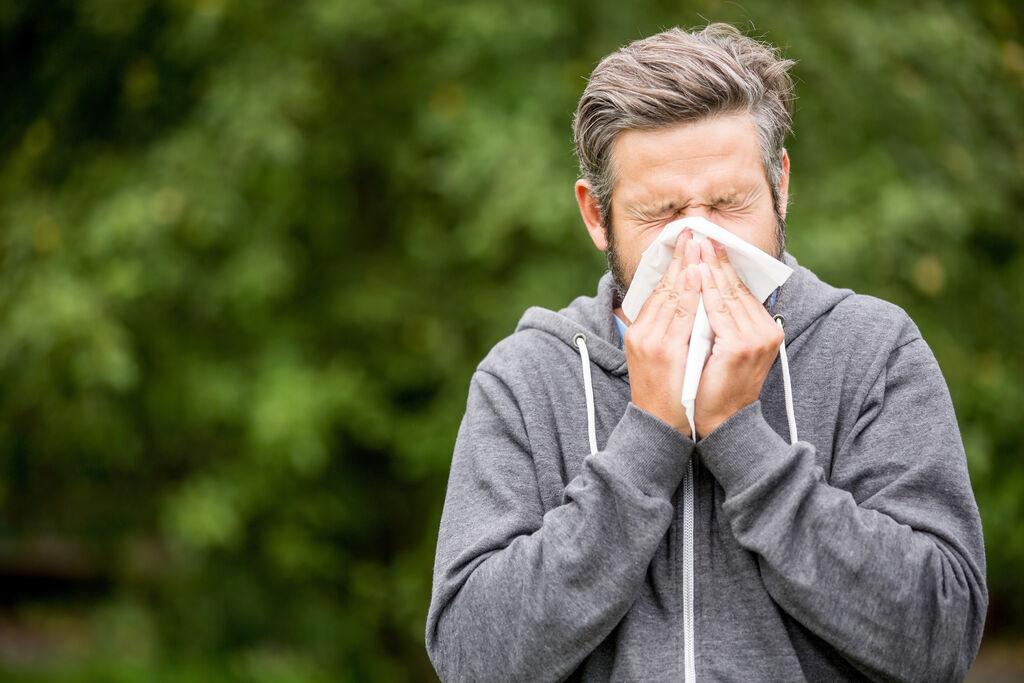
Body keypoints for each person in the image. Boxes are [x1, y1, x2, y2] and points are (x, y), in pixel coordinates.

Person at [424, 22, 987, 682]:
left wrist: (742, 441)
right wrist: (648, 436)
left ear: (780, 184)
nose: (700, 245)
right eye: (661, 212)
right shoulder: (527, 376)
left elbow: (941, 638)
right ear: (596, 215)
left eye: (728, 202)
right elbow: (470, 657)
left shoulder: (874, 351)